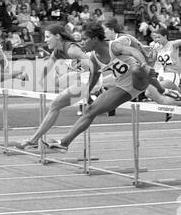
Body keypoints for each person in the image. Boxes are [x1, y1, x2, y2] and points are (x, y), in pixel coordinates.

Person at [42, 22, 158, 152]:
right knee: (90, 110)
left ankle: (157, 82)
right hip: (123, 86)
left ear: (95, 39)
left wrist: (145, 64)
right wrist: (87, 92)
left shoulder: (113, 46)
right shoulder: (94, 58)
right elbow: (94, 75)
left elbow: (133, 51)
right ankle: (64, 143)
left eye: (85, 40)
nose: (82, 43)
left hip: (139, 79)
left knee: (136, 68)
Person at [17, 23, 92, 149]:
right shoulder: (58, 51)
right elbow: (48, 65)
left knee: (55, 105)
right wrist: (40, 80)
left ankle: (34, 140)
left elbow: (91, 64)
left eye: (47, 36)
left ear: (57, 36)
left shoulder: (71, 49)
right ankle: (34, 139)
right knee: (57, 86)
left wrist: (91, 83)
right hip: (80, 77)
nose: (45, 40)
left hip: (88, 79)